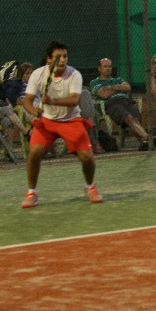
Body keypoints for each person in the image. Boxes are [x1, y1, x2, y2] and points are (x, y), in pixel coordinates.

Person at [21, 41, 100, 208]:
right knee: (34, 153)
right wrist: (33, 111)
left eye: (65, 56)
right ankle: (31, 193)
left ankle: (90, 186)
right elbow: (27, 101)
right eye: (58, 57)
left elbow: (74, 100)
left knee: (87, 157)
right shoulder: (37, 74)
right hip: (46, 121)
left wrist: (52, 100)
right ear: (49, 59)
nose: (63, 60)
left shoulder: (75, 75)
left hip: (71, 120)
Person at [88, 57, 150, 150]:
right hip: (112, 104)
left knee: (135, 119)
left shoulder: (118, 79)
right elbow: (104, 94)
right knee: (128, 118)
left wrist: (110, 87)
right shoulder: (95, 82)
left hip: (126, 101)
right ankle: (147, 137)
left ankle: (144, 142)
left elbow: (128, 87)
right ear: (99, 69)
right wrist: (119, 88)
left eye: (110, 66)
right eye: (105, 66)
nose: (108, 68)